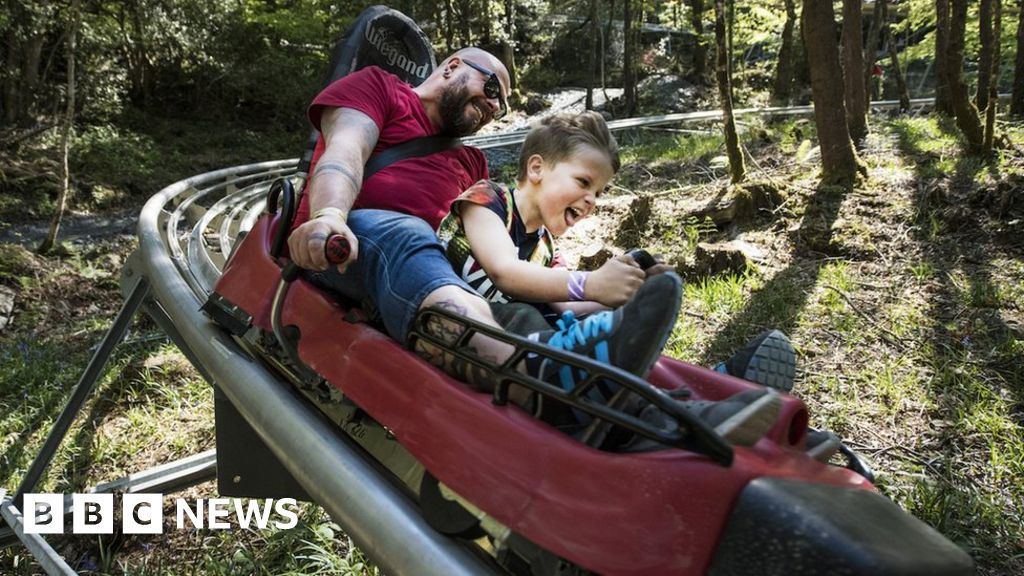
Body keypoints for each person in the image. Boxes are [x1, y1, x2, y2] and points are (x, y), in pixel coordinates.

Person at [434, 111, 782, 445]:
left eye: (598, 192)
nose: (592, 201)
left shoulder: (547, 247)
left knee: (603, 324)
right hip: (470, 334)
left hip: (536, 349)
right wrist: (589, 282)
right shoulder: (486, 199)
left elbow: (570, 299)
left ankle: (709, 392)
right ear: (537, 168)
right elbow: (504, 271)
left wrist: (631, 290)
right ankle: (678, 414)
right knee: (524, 316)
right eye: (584, 182)